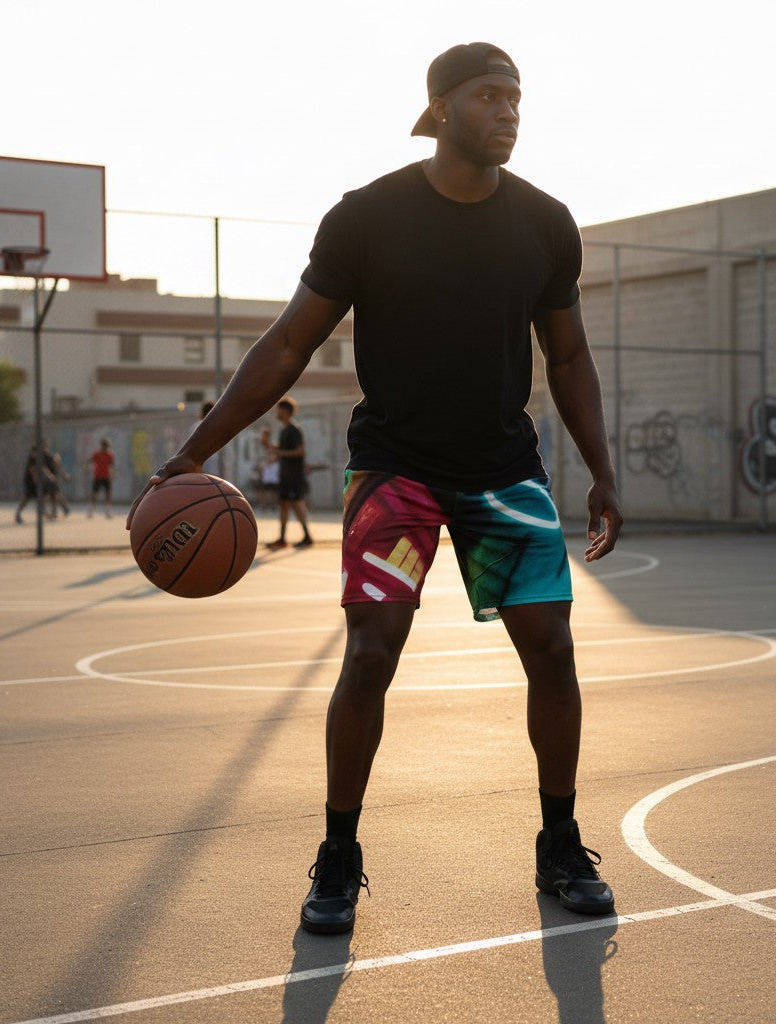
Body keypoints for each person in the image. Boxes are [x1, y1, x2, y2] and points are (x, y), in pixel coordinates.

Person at [128, 41, 623, 935]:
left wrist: (602, 468)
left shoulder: (546, 223)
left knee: (551, 648)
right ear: (438, 111)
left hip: (505, 471)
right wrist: (196, 452)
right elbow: (287, 344)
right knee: (371, 652)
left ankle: (559, 841)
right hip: (396, 469)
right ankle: (338, 855)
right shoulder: (368, 217)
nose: (508, 112)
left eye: (516, 97)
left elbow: (571, 353)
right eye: (487, 97)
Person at [262, 396, 314, 548]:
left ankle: (307, 536)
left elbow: (300, 451)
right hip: (285, 474)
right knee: (284, 504)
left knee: (296, 503)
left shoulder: (294, 429)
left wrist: (280, 454)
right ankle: (282, 538)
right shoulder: (284, 430)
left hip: (293, 474)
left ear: (285, 411)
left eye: (279, 410)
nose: (277, 412)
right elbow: (280, 450)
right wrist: (266, 444)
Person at [15, 443, 57, 524]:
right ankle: (18, 514)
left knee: (43, 497)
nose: (35, 454)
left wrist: (50, 476)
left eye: (37, 452)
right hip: (29, 483)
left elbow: (44, 468)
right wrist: (37, 480)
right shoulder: (31, 460)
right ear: (32, 452)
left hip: (37, 483)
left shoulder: (39, 459)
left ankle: (45, 513)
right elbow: (32, 471)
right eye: (34, 452)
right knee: (27, 498)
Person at [88, 438, 115, 518]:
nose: (106, 447)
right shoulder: (97, 454)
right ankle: (91, 511)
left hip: (106, 477)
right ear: (102, 446)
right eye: (104, 445)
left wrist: (113, 474)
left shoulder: (110, 455)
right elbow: (90, 461)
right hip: (97, 476)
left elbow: (112, 465)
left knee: (108, 494)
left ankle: (108, 511)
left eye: (107, 446)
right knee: (94, 494)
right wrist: (87, 468)